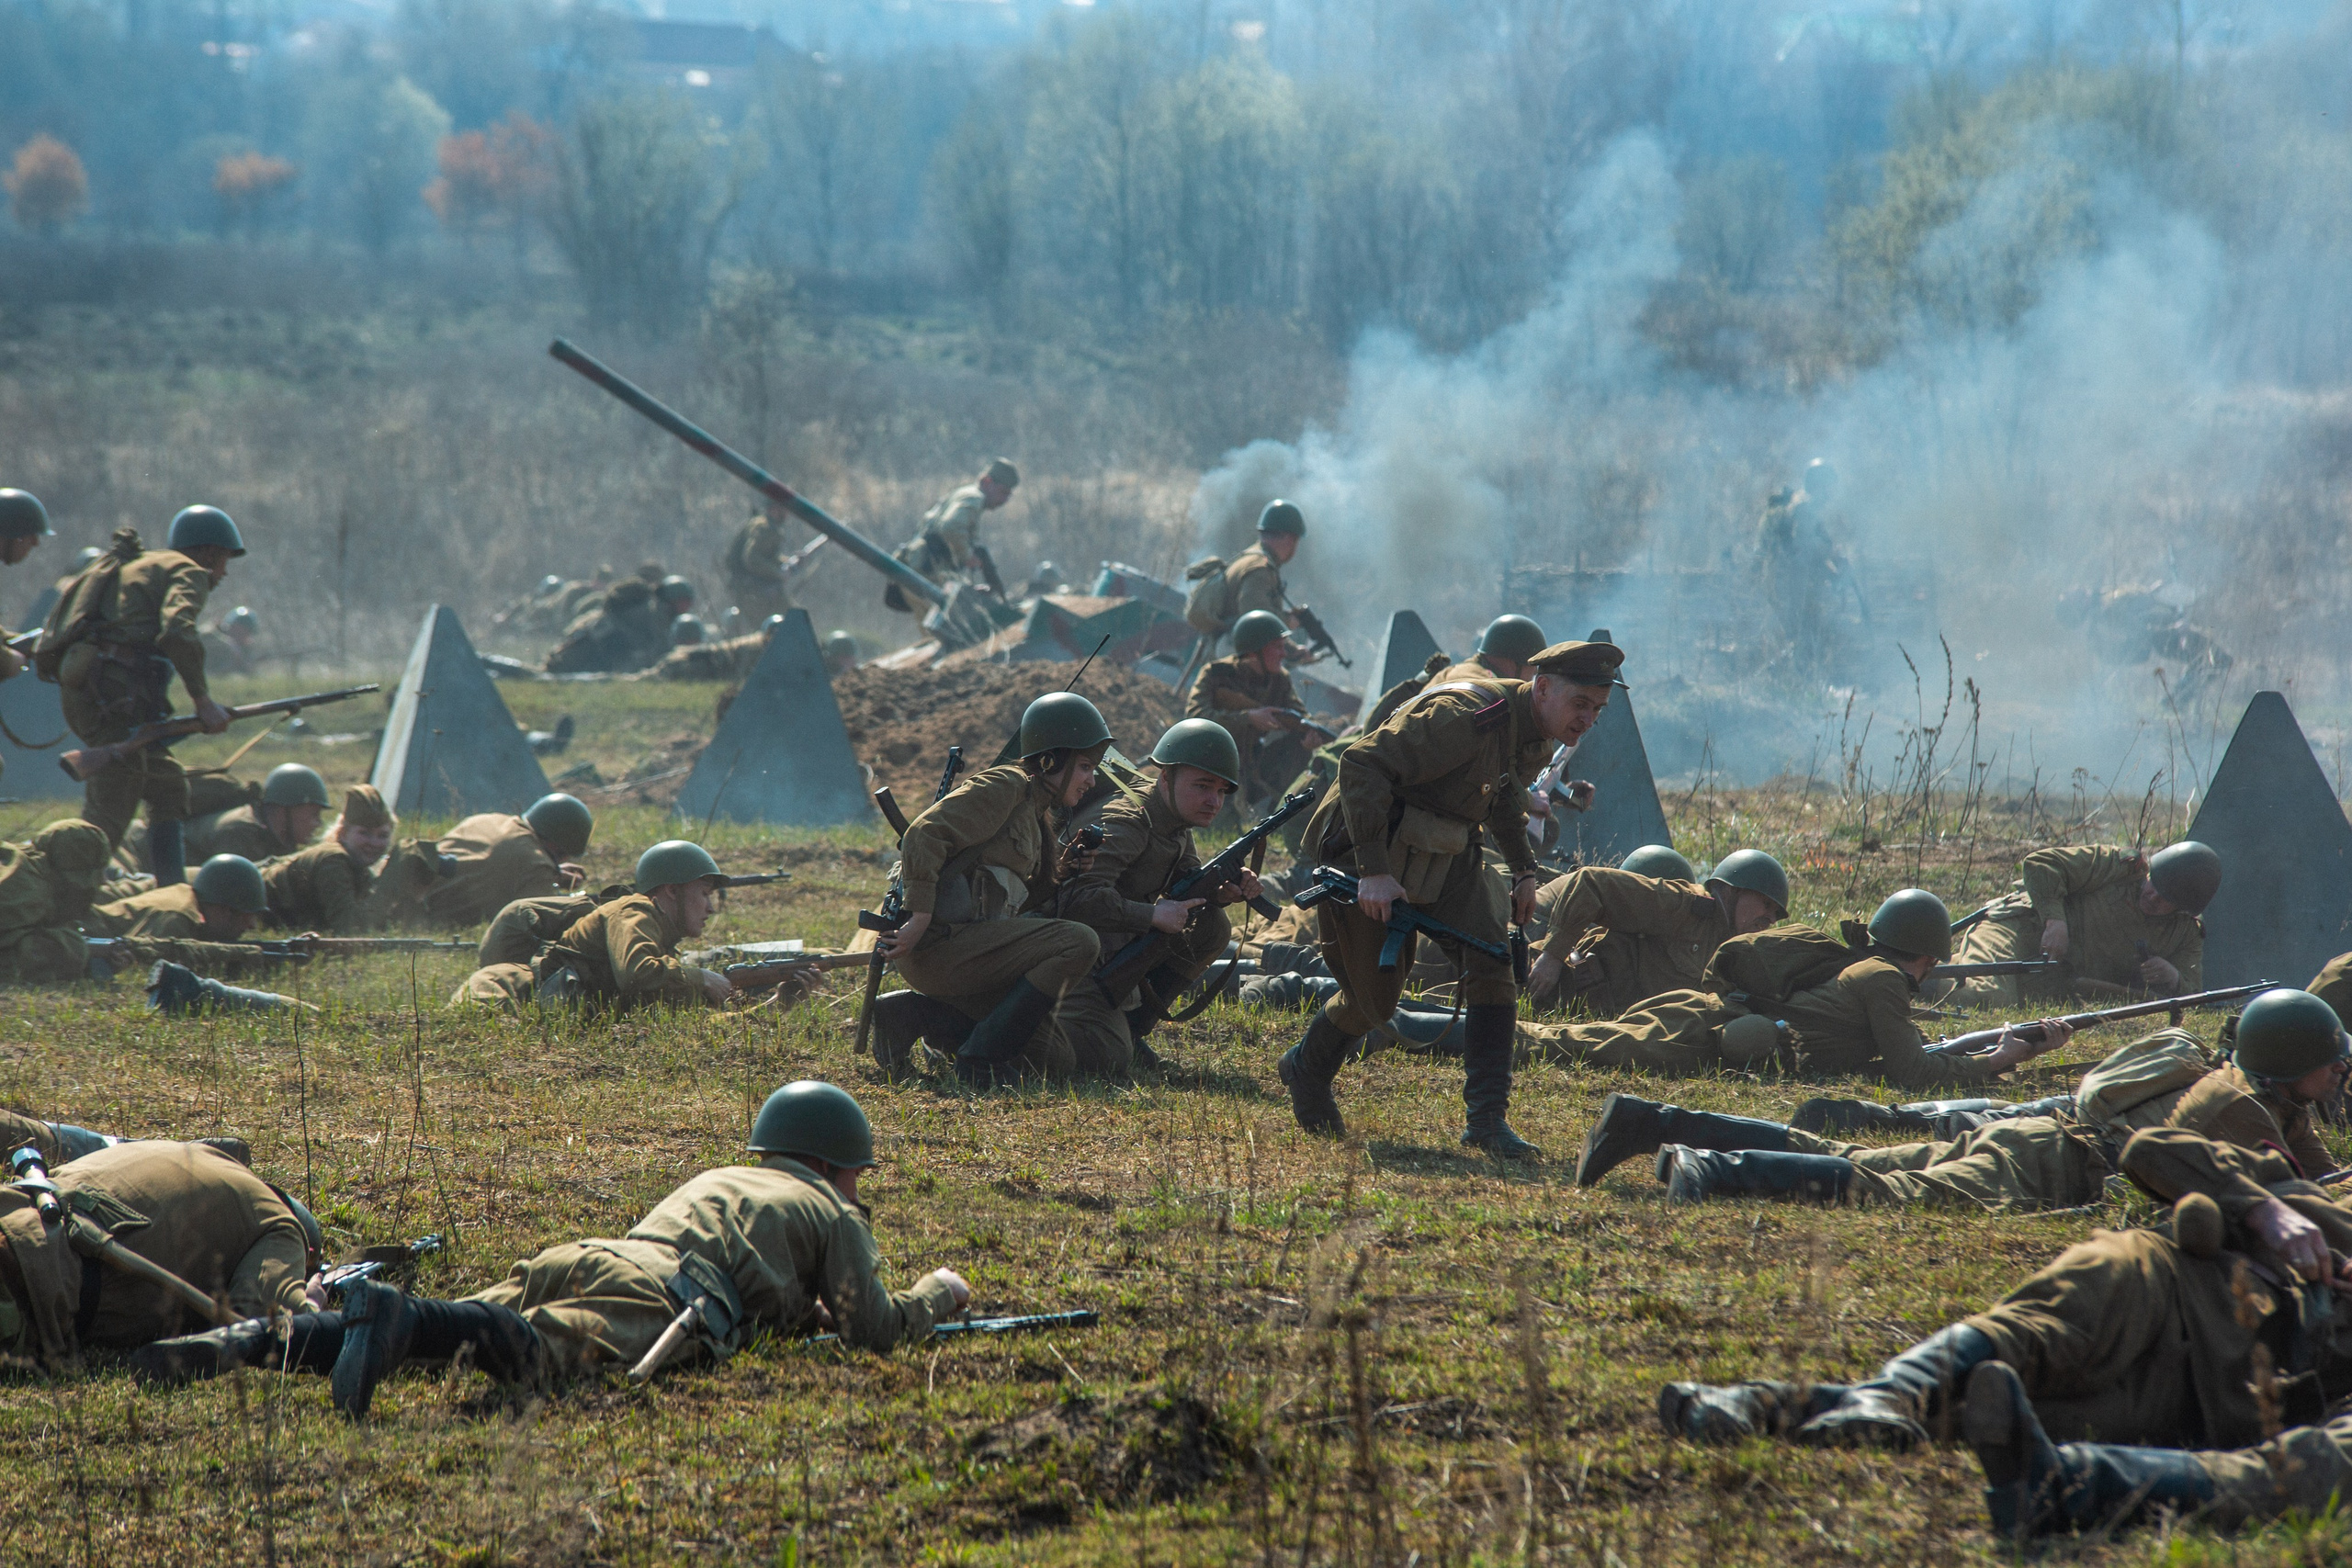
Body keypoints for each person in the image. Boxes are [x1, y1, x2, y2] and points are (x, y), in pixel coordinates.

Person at [130, 1082, 970, 1417]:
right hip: (658, 1297)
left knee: (442, 1336)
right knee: (518, 1354)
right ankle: (390, 1312)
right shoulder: (832, 1207)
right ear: (834, 1165)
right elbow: (875, 1330)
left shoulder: (727, 1175)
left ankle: (233, 1346)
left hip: (592, 1252)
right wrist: (940, 1290)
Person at [1279, 639, 1624, 1156]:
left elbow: (1506, 796)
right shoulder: (1466, 717)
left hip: (1449, 846)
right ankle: (1308, 1065)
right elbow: (1360, 764)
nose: (1588, 720)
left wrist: (1525, 871)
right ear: (1544, 688)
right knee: (1377, 1001)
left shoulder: (1537, 730)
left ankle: (1487, 1122)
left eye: (1598, 709)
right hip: (1368, 839)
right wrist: (1373, 872)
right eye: (1581, 705)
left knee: (1494, 959)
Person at [1576, 987, 2346, 1204]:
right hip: (2044, 1164)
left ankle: (1655, 1120)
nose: (2340, 1073)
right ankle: (1710, 1170)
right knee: (1893, 1188)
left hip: (2034, 1137)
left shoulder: (2261, 1096)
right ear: (2294, 1062)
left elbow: (2314, 1171)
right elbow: (2290, 1195)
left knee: (1850, 1154)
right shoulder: (2242, 1110)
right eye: (2332, 1062)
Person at [1525, 888, 2064, 1089]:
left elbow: (1883, 1056)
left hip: (1709, 1021)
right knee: (1566, 1044)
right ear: (1927, 957)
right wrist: (1994, 1063)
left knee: (1576, 1038)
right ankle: (1460, 1032)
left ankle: (1473, 1032)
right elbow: (1913, 1072)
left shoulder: (1868, 973)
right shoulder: (1881, 980)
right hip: (1703, 1029)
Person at [872, 694, 1108, 1086]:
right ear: (1050, 761)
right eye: (1085, 766)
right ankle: (980, 1062)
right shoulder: (1007, 784)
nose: (1091, 780)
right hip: (939, 947)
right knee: (1079, 941)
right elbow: (923, 835)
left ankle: (913, 1015)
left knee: (1053, 1060)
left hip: (974, 954)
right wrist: (920, 916)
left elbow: (1009, 900)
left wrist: (1064, 871)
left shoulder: (1035, 813)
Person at [1035, 719, 1263, 1079]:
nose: (1213, 801)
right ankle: (971, 1030)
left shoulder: (1174, 818)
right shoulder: (1127, 823)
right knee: (1106, 1059)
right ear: (1166, 779)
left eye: (1221, 792)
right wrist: (1151, 916)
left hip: (1108, 949)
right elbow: (1071, 899)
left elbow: (1185, 879)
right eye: (1202, 786)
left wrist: (1218, 893)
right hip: (1067, 955)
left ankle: (1131, 1026)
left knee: (1210, 926)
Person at [0, 1138, 321, 1368]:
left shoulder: (198, 1152)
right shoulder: (279, 1222)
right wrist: (313, 1301)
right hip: (34, 1279)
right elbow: (262, 1323)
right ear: (306, 1250)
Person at [46, 508, 244, 874]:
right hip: (115, 703)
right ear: (210, 553)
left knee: (168, 786)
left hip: (95, 694)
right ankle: (59, 906)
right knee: (108, 816)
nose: (223, 573)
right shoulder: (188, 571)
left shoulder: (147, 565)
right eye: (224, 562)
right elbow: (177, 632)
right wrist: (203, 702)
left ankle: (170, 896)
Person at [462, 839, 739, 1011]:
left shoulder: (659, 944)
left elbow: (672, 1009)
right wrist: (699, 977)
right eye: (704, 894)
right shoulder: (633, 911)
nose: (711, 907)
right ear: (672, 891)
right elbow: (636, 974)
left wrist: (775, 1002)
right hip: (500, 994)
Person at [1944, 841, 2217, 1008]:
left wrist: (2173, 976)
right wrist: (2055, 920)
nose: (2152, 896)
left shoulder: (2186, 932)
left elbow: (2193, 991)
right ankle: (1907, 981)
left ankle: (1928, 971)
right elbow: (2041, 864)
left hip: (2052, 973)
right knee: (1988, 997)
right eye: (2153, 884)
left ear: (2182, 908)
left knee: (2016, 995)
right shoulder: (2120, 866)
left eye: (2166, 898)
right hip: (2020, 925)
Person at [1524, 847, 1788, 1017]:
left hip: (1604, 1017)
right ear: (1732, 890)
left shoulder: (1734, 948)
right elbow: (1591, 884)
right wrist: (1553, 956)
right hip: (1558, 988)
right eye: (1765, 904)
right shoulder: (1683, 905)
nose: (1769, 919)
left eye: (1776, 914)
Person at [375, 793, 593, 929]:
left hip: (394, 897)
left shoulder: (489, 820)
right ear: (556, 845)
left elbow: (491, 864)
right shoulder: (535, 864)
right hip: (418, 918)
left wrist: (552, 873)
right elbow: (547, 920)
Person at [1184, 610, 1312, 808]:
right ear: (1255, 651)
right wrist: (1248, 718)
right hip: (1215, 766)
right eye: (1277, 647)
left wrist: (1310, 735)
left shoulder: (1280, 680)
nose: (1284, 653)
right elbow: (1195, 717)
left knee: (1299, 744)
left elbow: (1301, 716)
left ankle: (1279, 808)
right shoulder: (1216, 673)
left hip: (1252, 766)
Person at [85, 852, 280, 977]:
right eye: (246, 916)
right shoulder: (176, 918)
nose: (252, 926)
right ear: (222, 909)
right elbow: (153, 964)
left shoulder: (189, 900)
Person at [259, 784, 395, 934]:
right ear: (343, 833)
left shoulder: (358, 867)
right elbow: (350, 929)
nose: (374, 843)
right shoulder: (334, 861)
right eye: (364, 833)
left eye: (383, 836)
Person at [887, 458, 1019, 609]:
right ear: (988, 482)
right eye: (1003, 492)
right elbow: (950, 527)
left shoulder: (965, 495)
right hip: (926, 572)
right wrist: (968, 556)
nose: (1005, 500)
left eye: (1008, 495)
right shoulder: (974, 498)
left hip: (921, 571)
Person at [1186, 500, 1308, 656]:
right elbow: (1255, 617)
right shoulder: (1260, 569)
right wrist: (1286, 621)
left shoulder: (1249, 558)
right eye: (1295, 541)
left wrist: (1292, 650)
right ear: (1289, 539)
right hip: (1233, 659)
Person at [0, 818, 113, 981]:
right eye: (96, 872)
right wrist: (82, 951)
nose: (103, 882)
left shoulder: (22, 865)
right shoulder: (26, 890)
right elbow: (11, 959)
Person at [542, 576, 693, 674]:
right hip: (606, 647)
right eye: (683, 603)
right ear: (673, 599)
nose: (685, 608)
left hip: (606, 643)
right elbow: (662, 648)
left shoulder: (652, 609)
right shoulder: (657, 611)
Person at [185, 761, 330, 863]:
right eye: (313, 814)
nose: (318, 823)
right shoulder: (240, 834)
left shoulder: (275, 834)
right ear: (283, 809)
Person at [723, 508, 792, 624]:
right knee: (789, 619)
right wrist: (777, 573)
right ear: (774, 509)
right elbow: (751, 558)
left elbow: (767, 556)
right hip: (751, 590)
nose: (786, 514)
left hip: (752, 589)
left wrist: (786, 561)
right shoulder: (765, 528)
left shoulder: (764, 525)